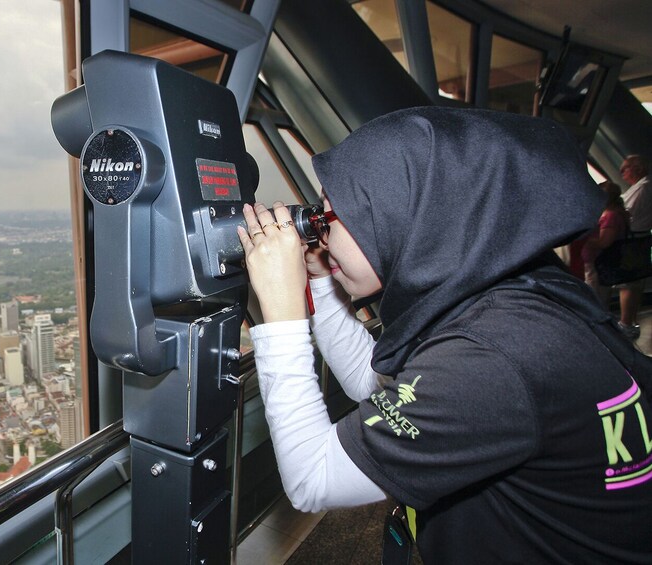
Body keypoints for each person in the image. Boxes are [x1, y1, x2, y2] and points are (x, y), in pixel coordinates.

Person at [236, 107, 652, 563]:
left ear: (405, 213)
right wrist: (318, 279)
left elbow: (313, 478)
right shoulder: (507, 294)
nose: (319, 232)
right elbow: (369, 384)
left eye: (330, 214)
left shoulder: (497, 356)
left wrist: (280, 315)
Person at [617, 154, 651, 339]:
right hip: (640, 240)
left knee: (628, 283)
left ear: (636, 169)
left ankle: (626, 323)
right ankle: (630, 320)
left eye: (625, 169)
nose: (622, 173)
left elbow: (627, 212)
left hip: (633, 241)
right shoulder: (643, 187)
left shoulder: (643, 189)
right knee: (635, 282)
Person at [581, 180, 627, 305]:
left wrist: (584, 239)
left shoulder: (610, 216)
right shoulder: (616, 213)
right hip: (599, 262)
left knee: (595, 297)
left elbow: (605, 242)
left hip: (598, 262)